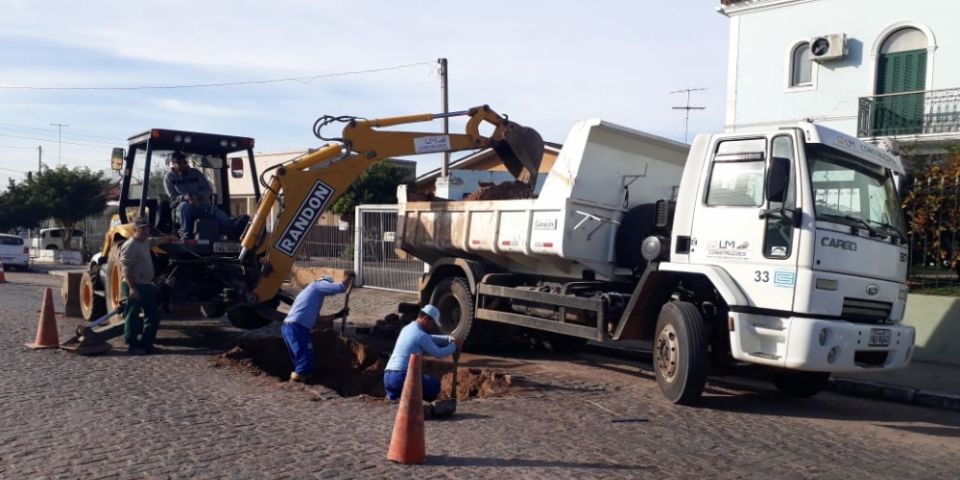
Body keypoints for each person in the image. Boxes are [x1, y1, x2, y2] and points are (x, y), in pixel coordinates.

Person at [120, 216, 177, 354]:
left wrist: (169, 238)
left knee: (153, 315)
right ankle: (132, 345)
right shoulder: (130, 246)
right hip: (134, 285)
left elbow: (155, 241)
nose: (146, 231)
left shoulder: (145, 242)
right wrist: (132, 288)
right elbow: (126, 269)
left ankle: (147, 344)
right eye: (142, 228)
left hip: (147, 285)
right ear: (135, 229)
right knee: (133, 316)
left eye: (147, 228)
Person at [383, 305, 463, 401]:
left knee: (395, 405)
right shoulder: (420, 335)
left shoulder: (407, 329)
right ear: (426, 319)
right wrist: (454, 346)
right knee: (434, 385)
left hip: (388, 377)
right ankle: (426, 407)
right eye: (433, 323)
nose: (433, 326)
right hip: (402, 376)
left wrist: (449, 338)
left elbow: (430, 338)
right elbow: (438, 353)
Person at [282, 274, 353, 382]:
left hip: (290, 327)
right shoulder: (317, 285)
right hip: (297, 328)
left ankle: (299, 382)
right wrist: (349, 276)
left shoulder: (312, 296)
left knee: (300, 360)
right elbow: (341, 287)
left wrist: (338, 315)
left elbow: (318, 319)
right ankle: (295, 385)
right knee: (306, 361)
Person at [163, 150, 231, 239]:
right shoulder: (169, 177)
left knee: (220, 215)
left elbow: (207, 189)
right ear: (174, 164)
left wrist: (197, 197)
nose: (184, 165)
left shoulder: (195, 173)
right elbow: (173, 196)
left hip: (202, 204)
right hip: (182, 207)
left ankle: (228, 234)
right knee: (184, 207)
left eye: (185, 162)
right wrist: (186, 198)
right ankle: (186, 236)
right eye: (180, 163)